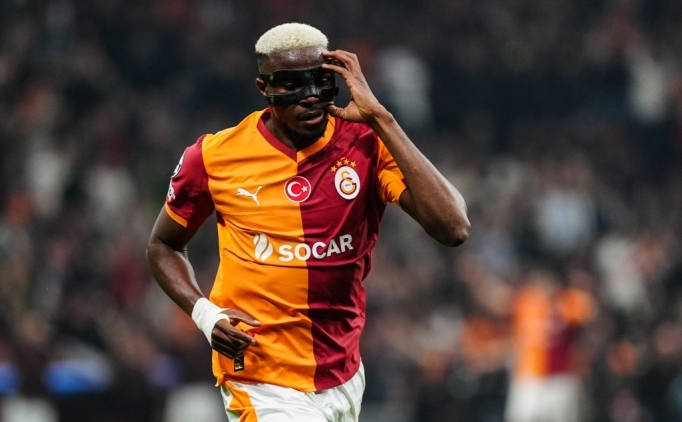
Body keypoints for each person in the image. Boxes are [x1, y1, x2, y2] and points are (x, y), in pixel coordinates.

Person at [146, 22, 470, 422]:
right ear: (264, 88)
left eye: (320, 81)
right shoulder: (214, 156)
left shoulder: (366, 143)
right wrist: (204, 313)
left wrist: (381, 118)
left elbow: (454, 228)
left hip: (342, 373)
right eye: (292, 85)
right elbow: (162, 245)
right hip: (259, 375)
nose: (311, 96)